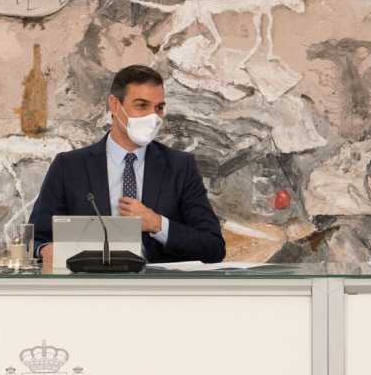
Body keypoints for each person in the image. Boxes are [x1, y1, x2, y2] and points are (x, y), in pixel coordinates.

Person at [29, 65, 225, 265]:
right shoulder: (69, 167)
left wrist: (157, 224)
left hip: (158, 284)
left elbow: (213, 247)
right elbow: (35, 237)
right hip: (91, 282)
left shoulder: (180, 167)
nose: (153, 117)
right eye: (142, 105)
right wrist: (45, 250)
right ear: (115, 105)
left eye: (159, 108)